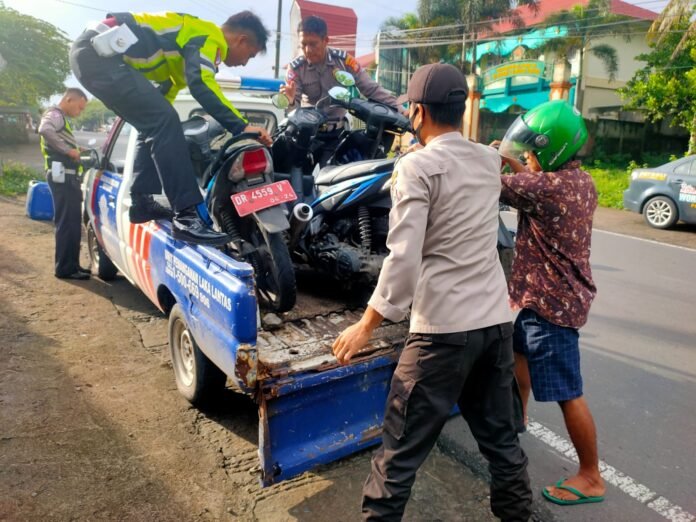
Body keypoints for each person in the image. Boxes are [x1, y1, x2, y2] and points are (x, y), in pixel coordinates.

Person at [332, 63, 532, 522]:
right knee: (502, 442)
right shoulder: (486, 158)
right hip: (494, 326)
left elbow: (403, 258)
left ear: (418, 112)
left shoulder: (416, 167)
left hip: (442, 333)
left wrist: (367, 324)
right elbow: (506, 169)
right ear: (461, 109)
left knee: (398, 454)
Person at [70, 11, 272, 245]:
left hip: (94, 55)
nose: (245, 62)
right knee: (166, 121)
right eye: (250, 55)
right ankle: (186, 217)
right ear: (242, 40)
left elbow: (164, 99)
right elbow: (201, 85)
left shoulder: (179, 51)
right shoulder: (208, 34)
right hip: (98, 54)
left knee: (156, 123)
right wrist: (242, 126)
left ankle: (142, 202)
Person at [497, 100, 605, 506]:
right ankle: (519, 416)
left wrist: (498, 159)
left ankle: (591, 476)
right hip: (534, 300)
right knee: (517, 357)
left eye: (531, 152)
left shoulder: (544, 189)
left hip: (549, 309)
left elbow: (496, 182)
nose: (526, 159)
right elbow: (533, 184)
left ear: (553, 151)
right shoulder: (581, 182)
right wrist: (518, 161)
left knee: (568, 393)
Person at [280, 15, 400, 164]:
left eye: (313, 44)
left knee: (335, 181)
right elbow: (293, 111)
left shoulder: (344, 62)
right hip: (307, 136)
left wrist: (400, 109)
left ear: (326, 41)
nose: (307, 50)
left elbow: (370, 88)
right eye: (303, 44)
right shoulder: (296, 68)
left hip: (337, 135)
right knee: (298, 178)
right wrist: (291, 101)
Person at [39, 88, 89, 280]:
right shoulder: (55, 114)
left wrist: (77, 149)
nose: (80, 112)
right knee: (67, 223)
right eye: (80, 107)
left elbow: (58, 138)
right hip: (62, 177)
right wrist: (69, 151)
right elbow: (44, 129)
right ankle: (65, 268)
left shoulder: (61, 118)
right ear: (69, 99)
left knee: (73, 222)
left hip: (68, 177)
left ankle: (73, 265)